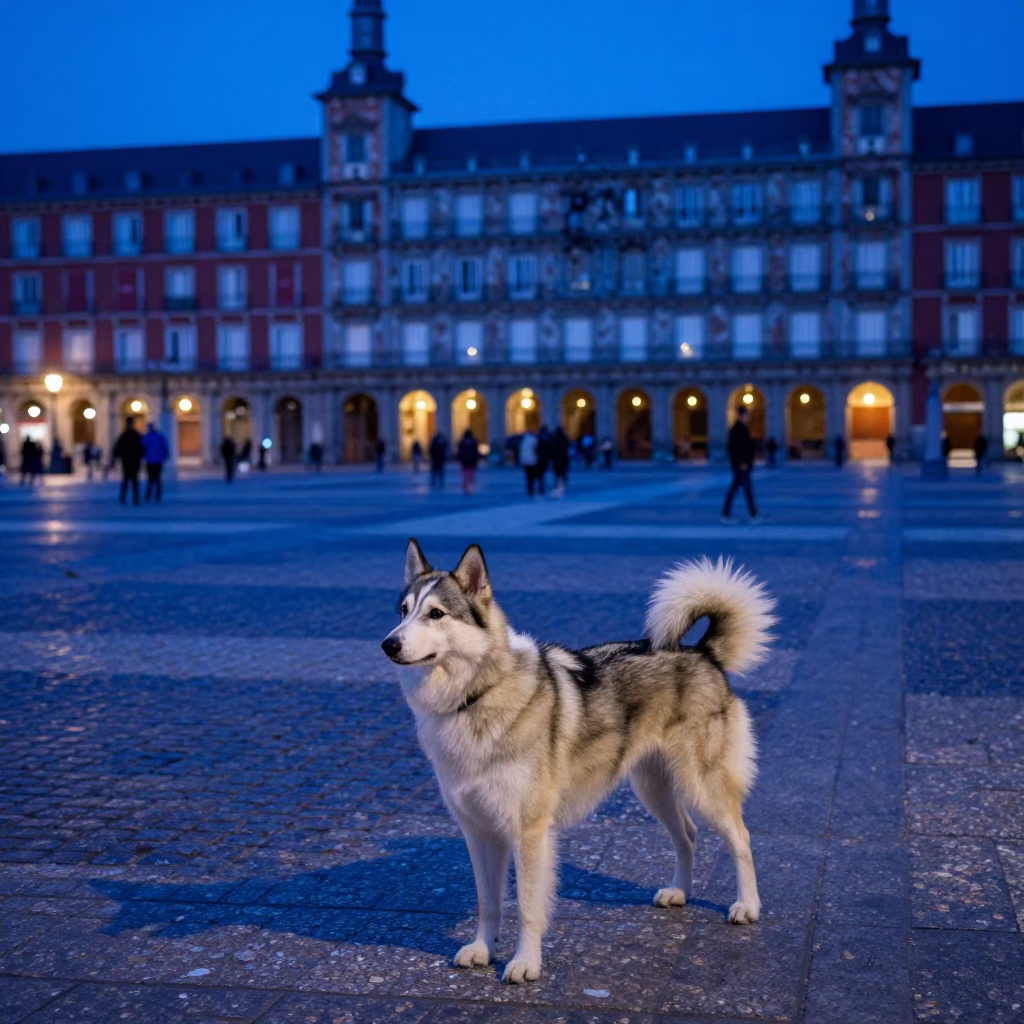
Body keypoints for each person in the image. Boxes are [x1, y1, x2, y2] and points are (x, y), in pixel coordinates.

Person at [722, 406, 761, 524]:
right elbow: (734, 448)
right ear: (741, 416)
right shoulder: (737, 429)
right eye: (746, 415)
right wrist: (741, 462)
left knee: (739, 490)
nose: (748, 418)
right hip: (741, 466)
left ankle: (727, 514)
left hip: (743, 465)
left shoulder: (742, 428)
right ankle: (752, 514)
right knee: (744, 490)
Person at [112, 417, 144, 506]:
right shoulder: (135, 435)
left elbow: (117, 448)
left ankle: (125, 498)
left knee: (127, 480)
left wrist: (115, 458)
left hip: (127, 461)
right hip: (132, 461)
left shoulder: (124, 435)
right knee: (132, 481)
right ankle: (134, 499)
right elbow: (142, 449)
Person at [141, 423, 169, 503]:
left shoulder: (146, 437)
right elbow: (165, 448)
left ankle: (149, 495)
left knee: (150, 479)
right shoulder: (160, 437)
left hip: (150, 461)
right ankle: (157, 495)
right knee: (157, 479)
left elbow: (143, 448)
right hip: (158, 461)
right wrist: (164, 456)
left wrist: (143, 456)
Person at [456, 429, 480, 495]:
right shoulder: (474, 441)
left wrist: (459, 458)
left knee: (465, 473)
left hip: (465, 460)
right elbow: (476, 451)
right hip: (472, 460)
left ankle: (466, 485)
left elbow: (460, 451)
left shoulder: (462, 441)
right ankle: (470, 485)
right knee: (471, 472)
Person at [519, 429, 540, 498]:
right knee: (533, 477)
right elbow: (536, 449)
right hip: (533, 460)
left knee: (528, 478)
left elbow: (521, 452)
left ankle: (530, 491)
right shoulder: (534, 440)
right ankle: (534, 491)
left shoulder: (524, 441)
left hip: (526, 461)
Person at [552, 425, 570, 497]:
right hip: (563, 458)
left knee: (557, 472)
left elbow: (551, 448)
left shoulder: (554, 438)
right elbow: (567, 446)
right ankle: (564, 481)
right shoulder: (564, 437)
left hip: (557, 458)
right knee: (563, 471)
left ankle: (558, 482)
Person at [536, 425, 553, 496]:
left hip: (539, 459)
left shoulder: (538, 438)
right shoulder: (547, 438)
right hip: (544, 459)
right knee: (542, 474)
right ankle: (541, 488)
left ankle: (541, 488)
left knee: (540, 475)